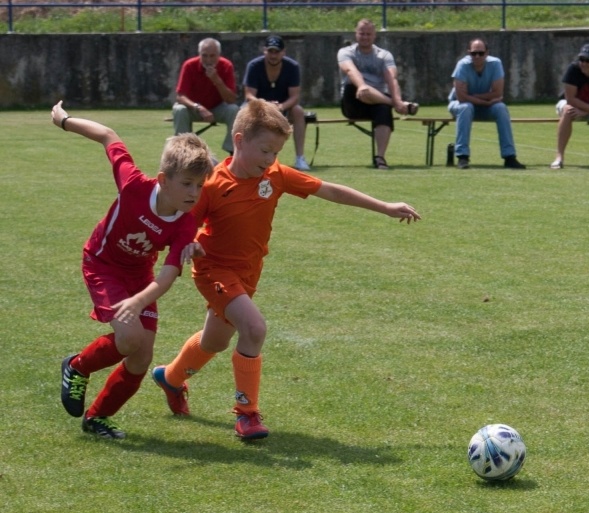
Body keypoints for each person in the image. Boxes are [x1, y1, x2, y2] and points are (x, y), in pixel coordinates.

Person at [151, 100, 421, 440]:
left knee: (214, 341)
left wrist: (384, 206)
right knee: (254, 328)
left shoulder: (275, 175)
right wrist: (189, 244)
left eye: (276, 152)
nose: (270, 159)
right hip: (214, 272)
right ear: (238, 140)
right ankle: (247, 414)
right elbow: (184, 225)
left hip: (248, 273)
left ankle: (171, 378)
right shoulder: (213, 185)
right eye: (265, 150)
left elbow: (329, 190)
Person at [53, 100, 214, 439]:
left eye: (200, 185)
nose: (194, 193)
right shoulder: (133, 185)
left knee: (141, 357)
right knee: (129, 338)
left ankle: (98, 417)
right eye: (187, 183)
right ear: (163, 180)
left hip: (140, 278)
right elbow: (108, 136)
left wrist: (140, 300)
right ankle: (77, 367)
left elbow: (167, 276)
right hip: (103, 265)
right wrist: (65, 121)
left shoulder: (185, 223)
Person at [337, 18, 419, 170]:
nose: (365, 37)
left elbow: (391, 79)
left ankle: (380, 158)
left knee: (383, 109)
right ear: (356, 34)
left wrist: (396, 98)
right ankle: (398, 105)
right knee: (359, 88)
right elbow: (350, 70)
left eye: (368, 34)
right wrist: (362, 86)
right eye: (362, 33)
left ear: (374, 35)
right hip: (352, 100)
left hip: (377, 101)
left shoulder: (384, 55)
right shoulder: (345, 52)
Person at [447, 38, 526, 170]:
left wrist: (474, 97)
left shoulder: (495, 64)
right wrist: (485, 101)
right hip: (459, 105)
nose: (477, 56)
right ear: (469, 53)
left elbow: (498, 92)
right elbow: (461, 97)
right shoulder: (462, 65)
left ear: (487, 53)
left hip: (485, 106)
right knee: (466, 107)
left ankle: (509, 157)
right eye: (474, 53)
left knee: (501, 108)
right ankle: (462, 156)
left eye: (481, 53)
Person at [243, 34, 310, 171]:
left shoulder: (292, 67)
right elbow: (249, 95)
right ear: (264, 51)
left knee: (298, 111)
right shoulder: (254, 66)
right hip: (259, 109)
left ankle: (300, 158)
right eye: (270, 51)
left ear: (283, 52)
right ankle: (242, 156)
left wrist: (281, 107)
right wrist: (265, 106)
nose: (273, 55)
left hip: (283, 109)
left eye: (277, 52)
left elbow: (295, 96)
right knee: (242, 111)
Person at [173, 37, 240, 156]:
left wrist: (217, 80)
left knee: (234, 110)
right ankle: (182, 151)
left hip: (217, 108)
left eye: (212, 56)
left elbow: (231, 99)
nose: (208, 60)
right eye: (204, 56)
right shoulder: (189, 65)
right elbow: (180, 96)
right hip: (194, 109)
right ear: (199, 54)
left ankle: (233, 151)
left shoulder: (226, 66)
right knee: (179, 109)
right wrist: (198, 107)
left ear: (219, 55)